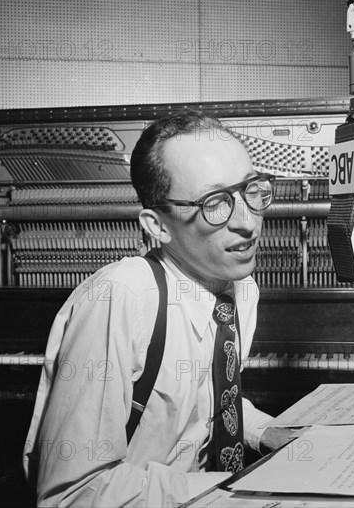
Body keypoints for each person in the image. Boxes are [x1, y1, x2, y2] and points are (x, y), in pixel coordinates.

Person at [23, 110, 292, 507]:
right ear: (158, 226)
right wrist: (232, 491)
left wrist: (268, 432)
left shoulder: (242, 289)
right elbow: (73, 493)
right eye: (216, 203)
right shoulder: (121, 297)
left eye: (251, 190)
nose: (248, 223)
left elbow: (209, 404)